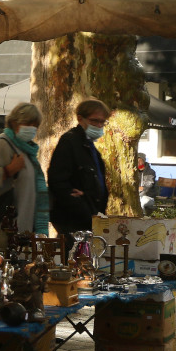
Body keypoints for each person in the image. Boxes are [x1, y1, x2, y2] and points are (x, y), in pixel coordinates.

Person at [0, 102, 50, 242]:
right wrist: (9, 170)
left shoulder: (27, 151)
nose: (32, 129)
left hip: (20, 231)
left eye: (35, 125)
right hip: (0, 232)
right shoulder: (2, 144)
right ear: (13, 123)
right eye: (27, 123)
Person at [47, 98, 111, 251]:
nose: (99, 126)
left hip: (89, 216)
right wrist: (81, 204)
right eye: (94, 121)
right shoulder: (70, 142)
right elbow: (58, 180)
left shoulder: (90, 147)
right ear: (80, 118)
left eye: (102, 122)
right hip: (73, 218)